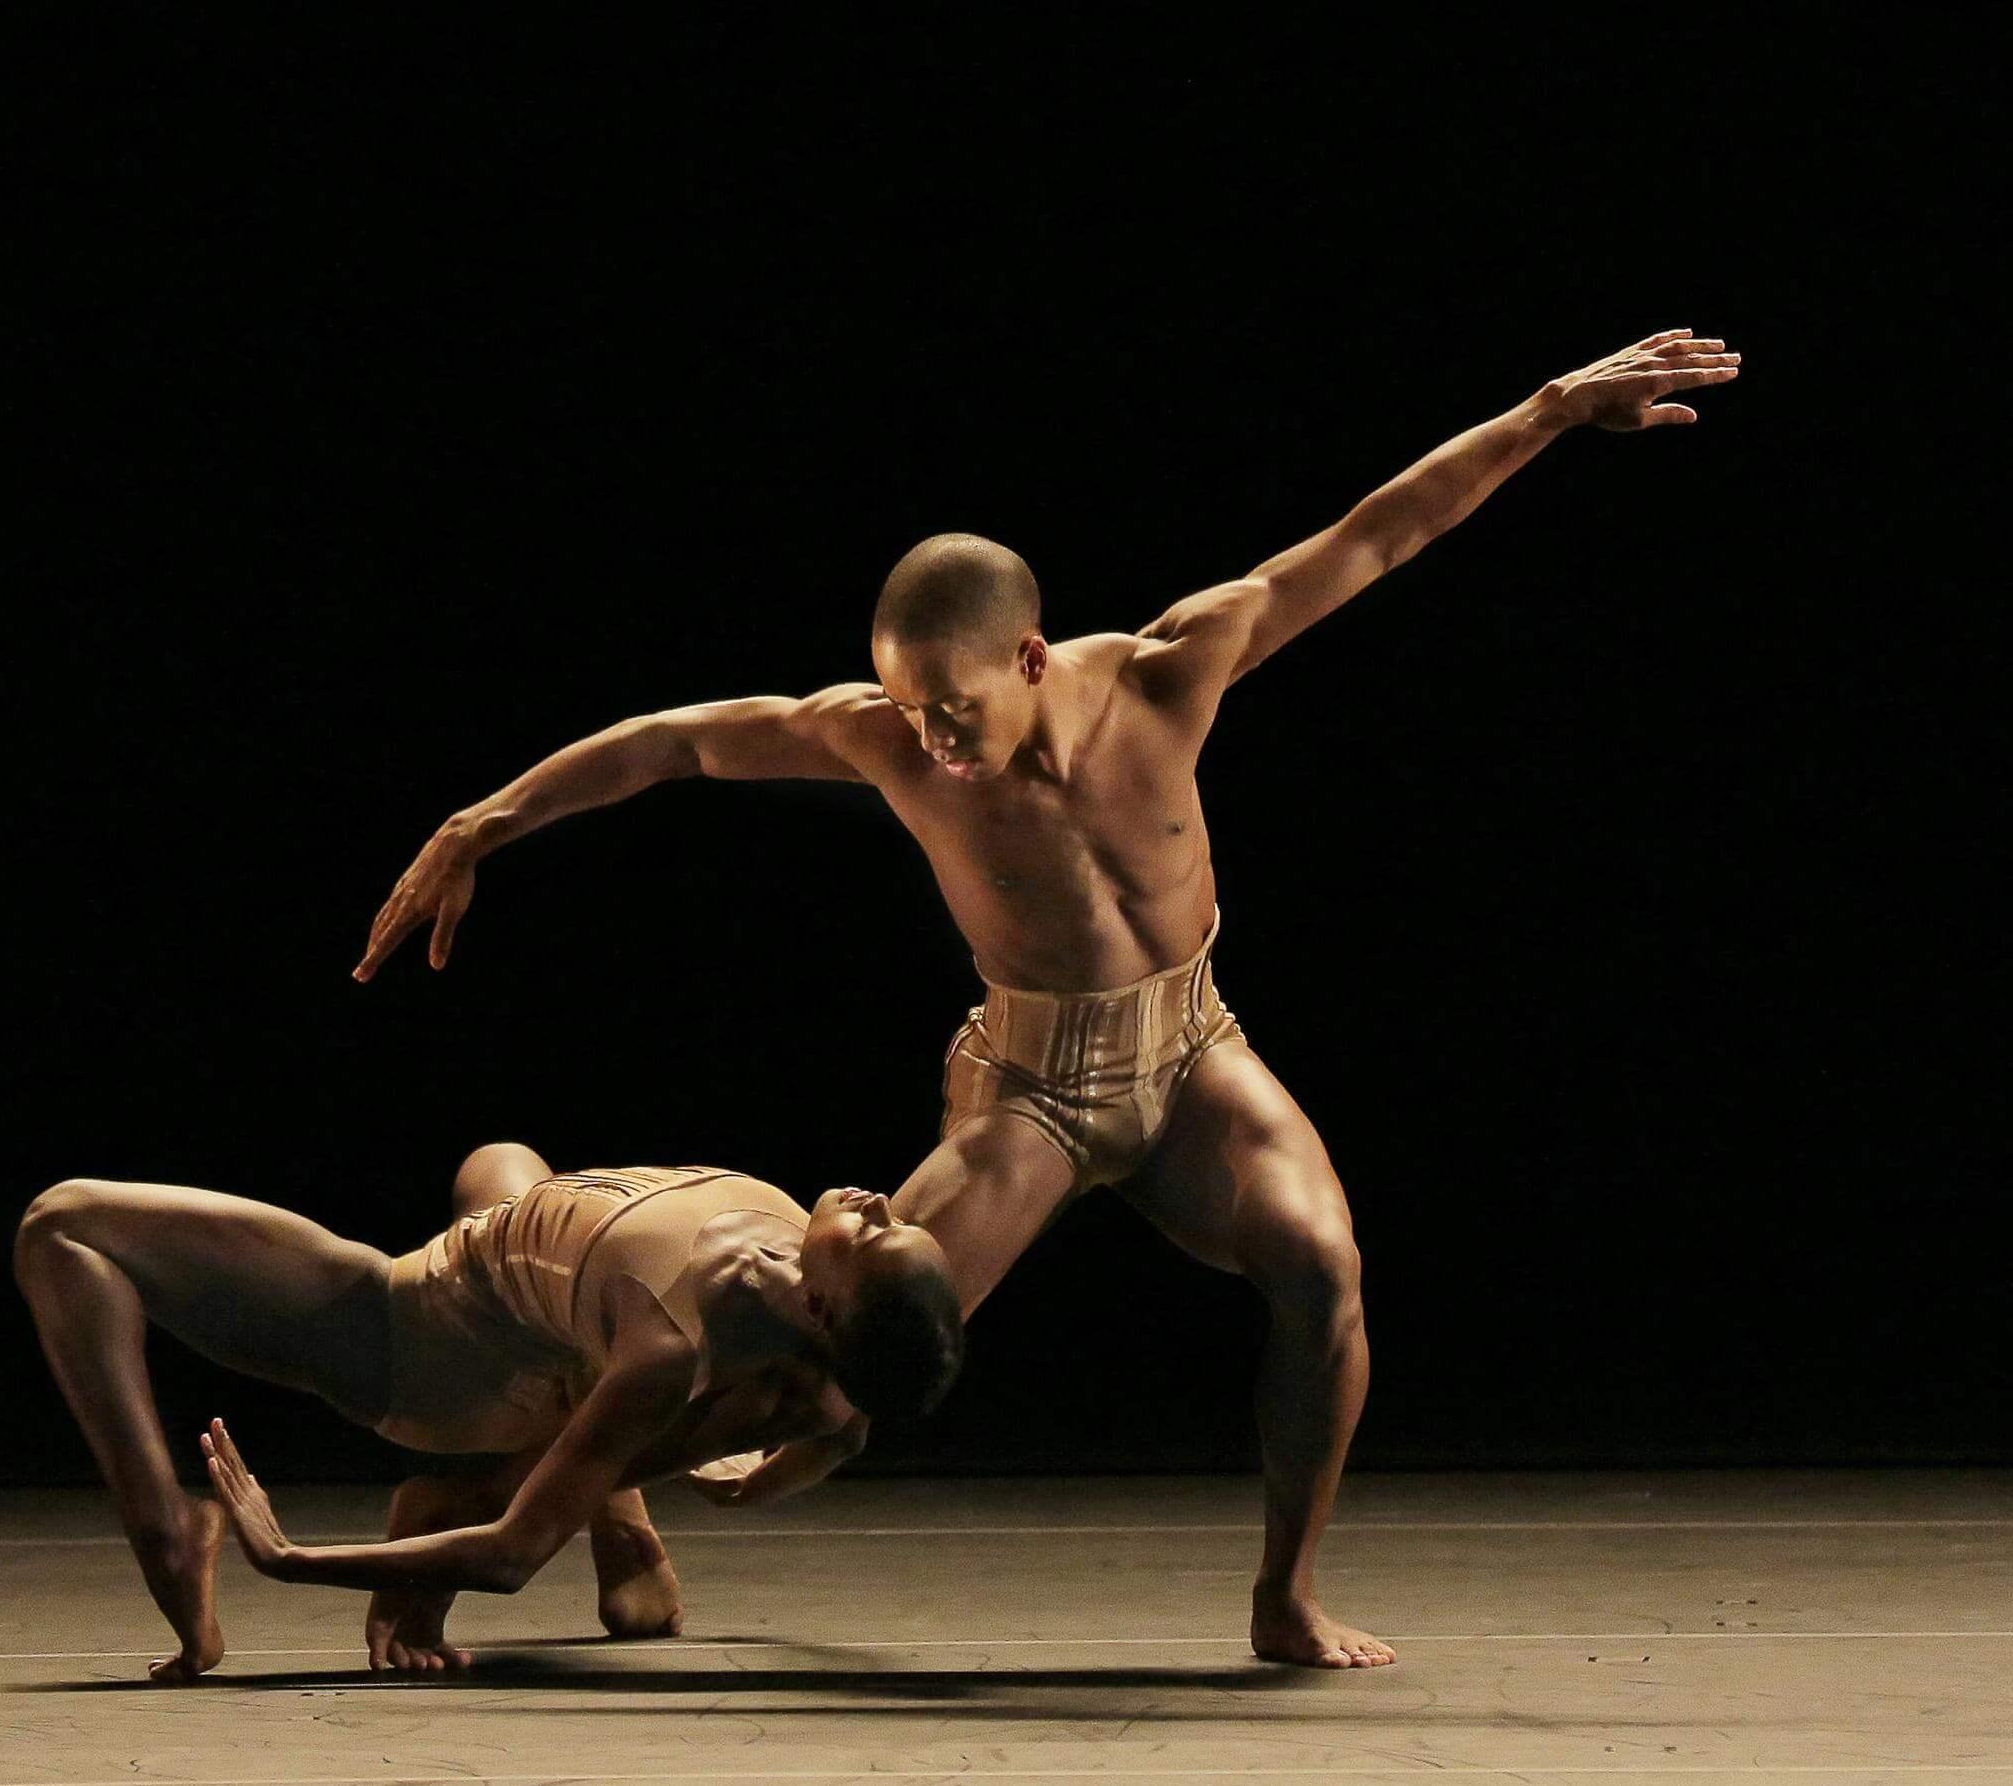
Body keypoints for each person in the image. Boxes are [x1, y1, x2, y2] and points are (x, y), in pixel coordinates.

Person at [352, 330, 1743, 1669]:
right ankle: (569, 1500)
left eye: (954, 710)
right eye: (909, 712)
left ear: (1028, 658)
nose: (932, 743)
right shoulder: (889, 740)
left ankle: (1286, 1595)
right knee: (823, 1369)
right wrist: (484, 820)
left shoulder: (1171, 667)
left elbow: (1377, 535)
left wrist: (1552, 409)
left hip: (1192, 1046)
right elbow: (680, 743)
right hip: (1032, 1083)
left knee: (1325, 1268)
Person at [13, 1142, 960, 1679]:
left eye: (873, 1231)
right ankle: (616, 1516)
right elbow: (842, 1424)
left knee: (61, 1225)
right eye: (892, 1215)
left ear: (827, 1305)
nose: (876, 1201)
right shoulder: (787, 1277)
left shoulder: (675, 1344)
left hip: (421, 1346)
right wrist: (743, 1479)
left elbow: (512, 1555)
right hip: (537, 1300)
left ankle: (168, 1530)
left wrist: (292, 1560)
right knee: (500, 1159)